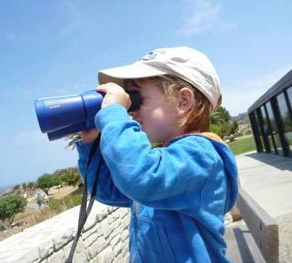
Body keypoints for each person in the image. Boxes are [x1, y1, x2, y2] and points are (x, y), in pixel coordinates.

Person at [76, 47, 238, 262]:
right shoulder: (163, 162)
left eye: (136, 99)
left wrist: (114, 117)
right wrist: (91, 144)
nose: (130, 111)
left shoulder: (200, 155)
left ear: (183, 102)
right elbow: (107, 190)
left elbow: (141, 178)